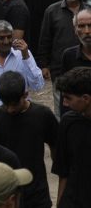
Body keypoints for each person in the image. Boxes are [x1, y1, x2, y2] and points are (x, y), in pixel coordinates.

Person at [0, 71, 57, 208]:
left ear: (25, 95)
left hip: (36, 192)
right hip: (4, 192)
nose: (10, 109)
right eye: (6, 104)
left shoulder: (42, 115)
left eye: (14, 104)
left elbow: (55, 145)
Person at [36, 0, 86, 95]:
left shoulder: (88, 11)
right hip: (60, 69)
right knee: (62, 108)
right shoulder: (52, 11)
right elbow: (45, 39)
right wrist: (44, 65)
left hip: (85, 68)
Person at [0, 20, 43, 107]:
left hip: (18, 113)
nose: (6, 42)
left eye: (9, 37)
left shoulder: (23, 54)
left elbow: (38, 85)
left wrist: (26, 57)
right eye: (1, 38)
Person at [52, 66, 91, 207]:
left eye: (68, 98)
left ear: (85, 98)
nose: (64, 103)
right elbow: (64, 171)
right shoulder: (68, 122)